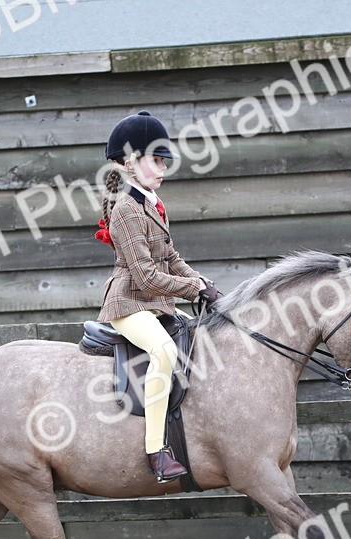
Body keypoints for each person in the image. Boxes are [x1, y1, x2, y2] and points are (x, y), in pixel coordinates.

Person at [94, 111, 223, 482]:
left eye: (164, 160)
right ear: (129, 162)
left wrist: (203, 281)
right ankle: (156, 451)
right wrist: (193, 289)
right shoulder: (126, 209)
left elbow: (171, 258)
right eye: (156, 159)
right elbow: (146, 276)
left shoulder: (151, 203)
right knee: (164, 352)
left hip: (153, 303)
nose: (163, 168)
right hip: (129, 303)